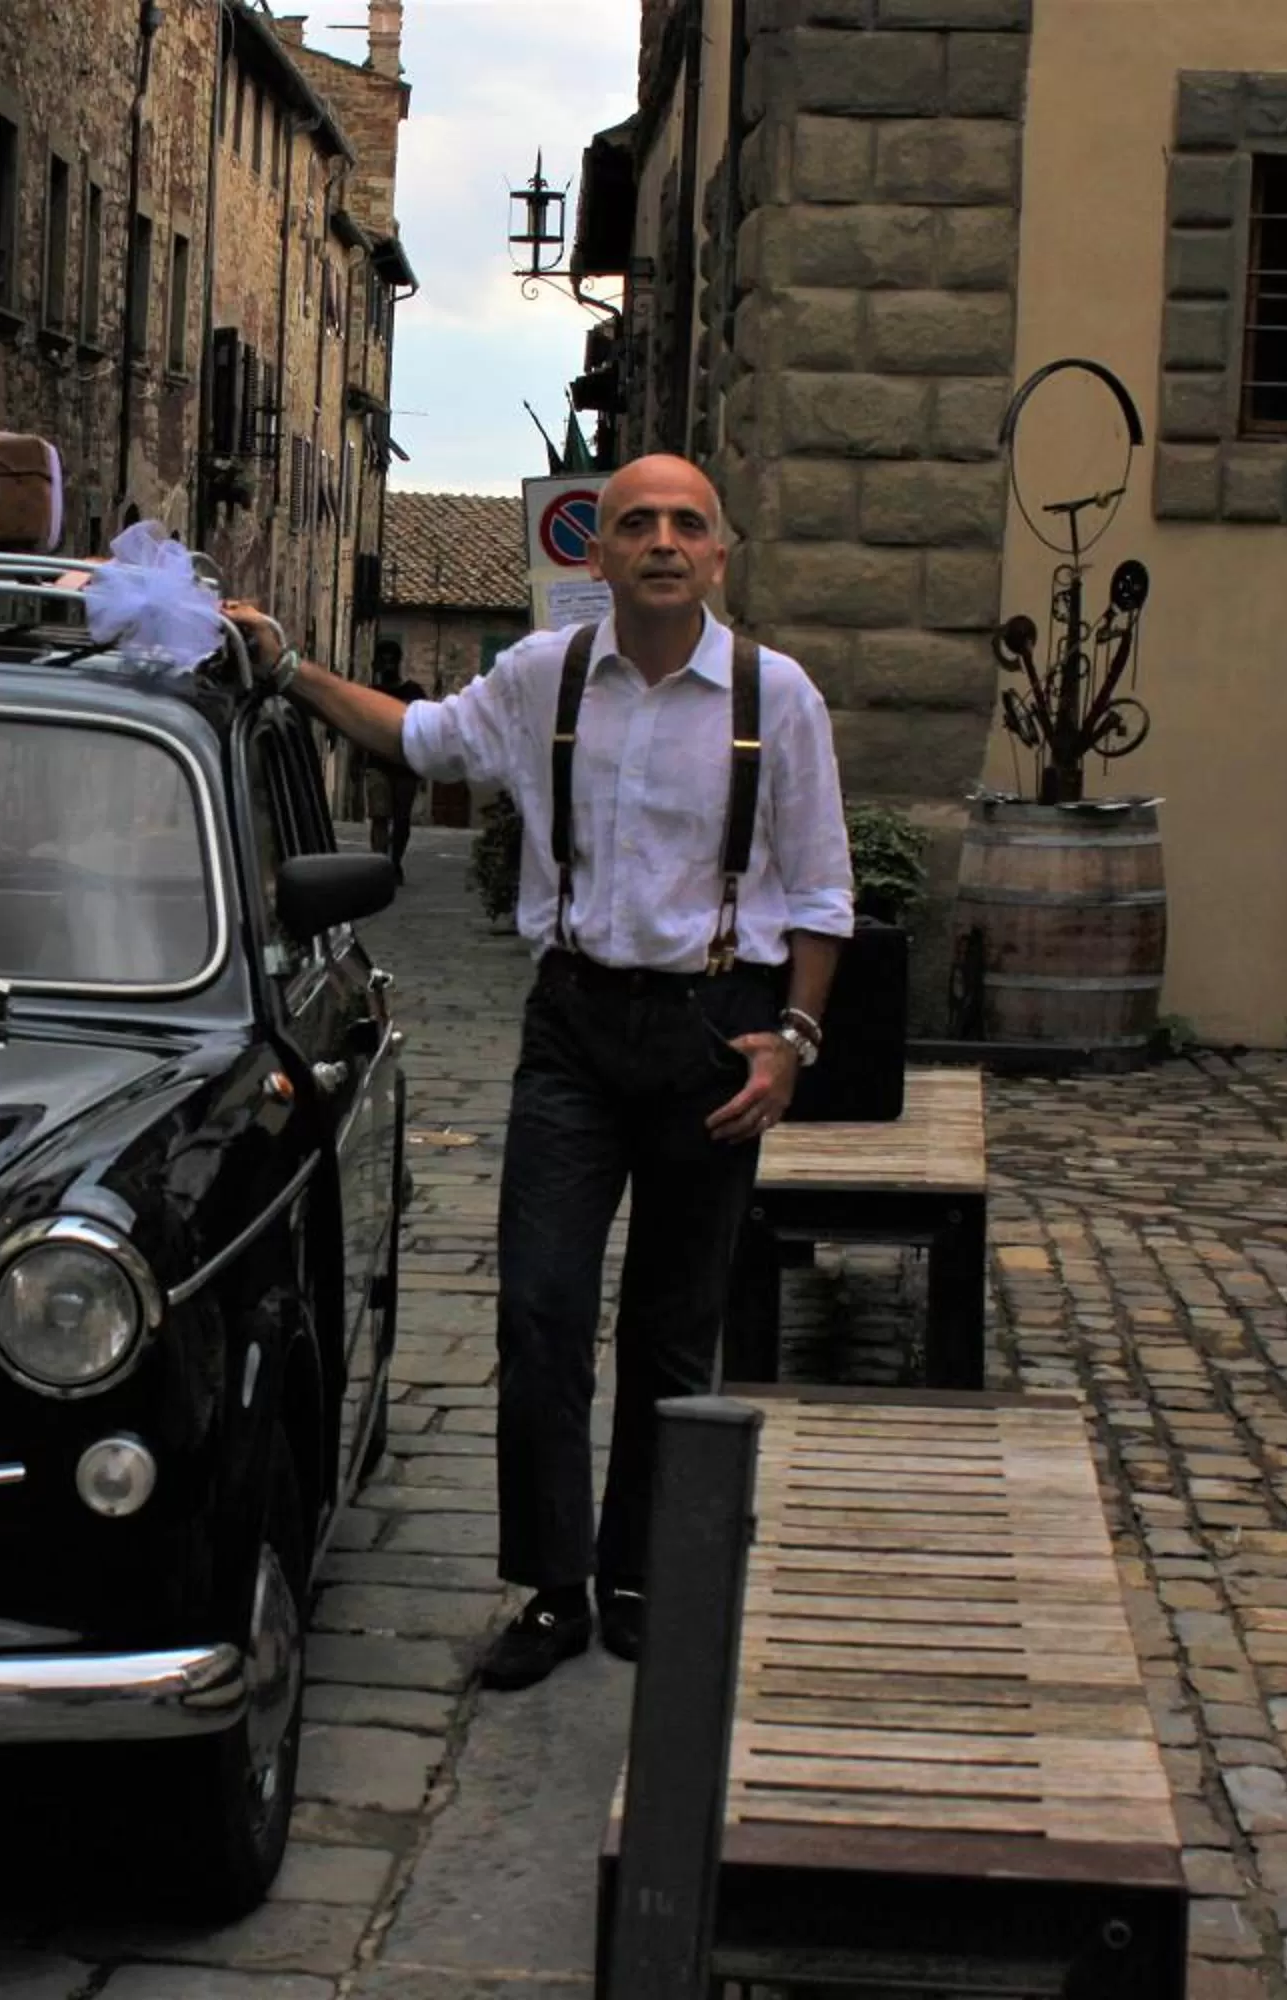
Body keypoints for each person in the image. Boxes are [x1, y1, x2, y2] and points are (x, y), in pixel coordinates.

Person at [229, 454, 855, 1688]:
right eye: (637, 524)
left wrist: (793, 1042)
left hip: (713, 1032)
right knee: (540, 1312)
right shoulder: (541, 677)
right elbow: (418, 740)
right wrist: (287, 668)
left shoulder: (775, 698)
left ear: (720, 554)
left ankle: (641, 1578)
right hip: (571, 1025)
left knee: (675, 1331)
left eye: (686, 523)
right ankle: (555, 1587)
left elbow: (825, 888)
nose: (663, 541)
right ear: (601, 554)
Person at [361, 662, 429, 879]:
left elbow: (424, 727)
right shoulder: (373, 693)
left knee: (401, 819)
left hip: (406, 764)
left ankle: (394, 862)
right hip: (378, 764)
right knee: (379, 817)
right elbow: (361, 725)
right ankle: (381, 865)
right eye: (383, 658)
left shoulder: (414, 693)